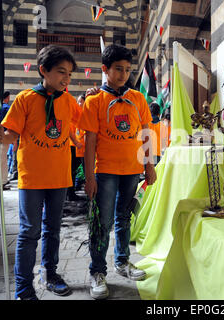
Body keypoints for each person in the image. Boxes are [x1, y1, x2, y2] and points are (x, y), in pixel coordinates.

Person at [0, 45, 80, 300]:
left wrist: (93, 95)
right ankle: (23, 288)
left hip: (60, 177)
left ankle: (51, 274)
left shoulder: (70, 101)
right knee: (30, 231)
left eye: (70, 74)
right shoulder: (25, 99)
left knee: (53, 229)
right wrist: (0, 135)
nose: (66, 79)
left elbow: (82, 122)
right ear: (43, 71)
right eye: (62, 72)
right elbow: (11, 135)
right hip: (32, 178)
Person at [77, 44, 157, 300]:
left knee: (124, 220)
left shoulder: (138, 98)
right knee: (102, 223)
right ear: (105, 70)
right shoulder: (95, 101)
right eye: (118, 69)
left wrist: (149, 165)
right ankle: (97, 271)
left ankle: (122, 262)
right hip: (106, 173)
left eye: (127, 70)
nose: (123, 75)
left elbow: (146, 133)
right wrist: (89, 177)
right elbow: (89, 142)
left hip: (132, 171)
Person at [66, 94, 85, 201]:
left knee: (77, 171)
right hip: (73, 146)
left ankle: (71, 192)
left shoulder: (84, 115)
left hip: (82, 148)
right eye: (77, 101)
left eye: (80, 101)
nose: (78, 104)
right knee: (71, 170)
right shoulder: (74, 115)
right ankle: (70, 193)